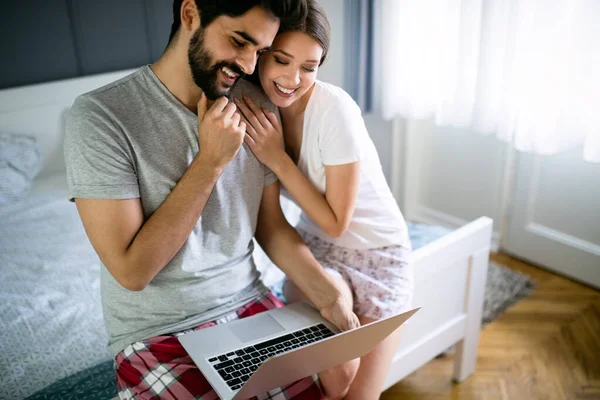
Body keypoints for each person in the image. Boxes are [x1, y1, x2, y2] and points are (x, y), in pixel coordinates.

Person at [64, 0, 360, 398]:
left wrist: (331, 296)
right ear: (190, 15)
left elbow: (270, 226)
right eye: (240, 41)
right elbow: (133, 273)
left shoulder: (255, 102)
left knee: (338, 374)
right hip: (159, 333)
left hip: (249, 306)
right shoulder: (101, 116)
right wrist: (210, 162)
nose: (249, 65)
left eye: (259, 51)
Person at [234, 1, 414, 398]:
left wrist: (277, 158)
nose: (292, 78)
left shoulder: (334, 109)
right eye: (282, 60)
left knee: (359, 394)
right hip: (317, 249)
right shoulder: (258, 106)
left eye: (309, 67)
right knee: (335, 378)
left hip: (380, 254)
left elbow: (337, 222)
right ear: (262, 54)